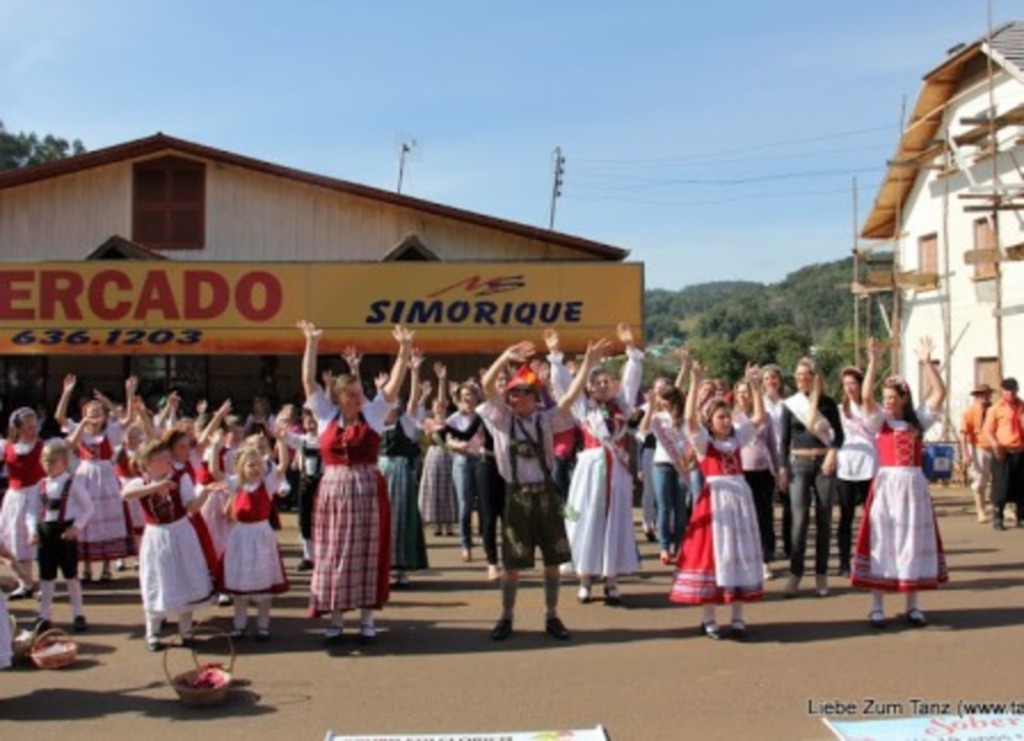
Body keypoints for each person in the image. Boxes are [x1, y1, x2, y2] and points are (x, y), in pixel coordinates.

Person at [479, 334, 611, 642]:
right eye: (511, 393)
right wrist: (505, 357)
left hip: (545, 494)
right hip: (516, 495)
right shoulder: (500, 418)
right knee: (512, 564)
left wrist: (588, 364)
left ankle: (552, 616)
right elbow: (487, 387)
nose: (513, 398)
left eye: (521, 393)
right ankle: (506, 616)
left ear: (533, 395)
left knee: (552, 561)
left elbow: (569, 399)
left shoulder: (546, 419)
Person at [299, 320, 412, 645]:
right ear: (340, 396)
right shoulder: (324, 415)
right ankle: (335, 620)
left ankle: (366, 621)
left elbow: (392, 385)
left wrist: (403, 351)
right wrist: (312, 343)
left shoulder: (374, 415)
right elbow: (308, 381)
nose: (359, 397)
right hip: (333, 490)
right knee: (333, 553)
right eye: (352, 394)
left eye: (360, 393)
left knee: (367, 552)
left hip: (366, 489)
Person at [853, 337, 948, 628]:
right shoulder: (879, 421)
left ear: (904, 398)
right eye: (887, 397)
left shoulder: (917, 421)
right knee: (883, 542)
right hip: (888, 487)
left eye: (893, 397)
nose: (888, 401)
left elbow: (939, 394)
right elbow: (866, 397)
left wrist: (927, 362)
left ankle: (913, 605)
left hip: (914, 487)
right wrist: (872, 361)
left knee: (911, 542)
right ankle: (877, 606)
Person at [669, 360, 765, 640]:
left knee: (738, 553)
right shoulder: (704, 443)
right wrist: (696, 381)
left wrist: (755, 386)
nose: (725, 421)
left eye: (727, 416)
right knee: (713, 556)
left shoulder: (737, 439)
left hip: (739, 499)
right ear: (710, 421)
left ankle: (737, 616)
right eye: (720, 417)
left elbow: (758, 418)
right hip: (715, 502)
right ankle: (709, 618)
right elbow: (689, 421)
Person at [550, 324, 644, 606]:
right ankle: (585, 579)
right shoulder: (583, 407)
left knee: (614, 520)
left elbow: (631, 380)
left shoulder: (622, 405)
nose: (603, 385)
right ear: (589, 387)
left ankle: (611, 579)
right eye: (597, 382)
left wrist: (631, 351)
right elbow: (565, 386)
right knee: (586, 520)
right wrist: (555, 354)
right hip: (590, 469)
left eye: (607, 381)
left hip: (616, 470)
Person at [122, 439, 222, 651]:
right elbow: (126, 495)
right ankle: (153, 633)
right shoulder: (141, 481)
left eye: (169, 458)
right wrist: (157, 486)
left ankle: (186, 631)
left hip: (180, 531)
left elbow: (191, 507)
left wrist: (205, 493)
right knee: (158, 579)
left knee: (185, 576)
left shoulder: (181, 477)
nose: (169, 462)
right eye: (163, 459)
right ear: (149, 462)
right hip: (156, 536)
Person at [55, 375, 137, 582]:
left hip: (106, 476)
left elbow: (126, 419)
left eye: (98, 412)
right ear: (84, 414)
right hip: (85, 475)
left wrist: (128, 393)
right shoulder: (79, 429)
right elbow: (61, 420)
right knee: (86, 519)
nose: (95, 416)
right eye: (91, 413)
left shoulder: (111, 431)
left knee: (106, 519)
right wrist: (66, 393)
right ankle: (87, 569)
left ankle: (107, 567)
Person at [780, 358, 844, 598]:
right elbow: (783, 440)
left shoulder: (828, 404)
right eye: (797, 375)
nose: (799, 378)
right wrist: (782, 468)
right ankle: (795, 574)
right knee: (799, 521)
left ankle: (821, 574)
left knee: (824, 519)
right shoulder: (791, 405)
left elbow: (840, 436)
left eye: (803, 374)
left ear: (814, 376)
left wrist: (832, 454)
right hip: (798, 464)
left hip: (823, 464)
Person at [215, 443, 290, 640]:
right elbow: (215, 472)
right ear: (241, 467)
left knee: (263, 583)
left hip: (262, 536)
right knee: (240, 585)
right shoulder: (236, 484)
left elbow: (282, 466)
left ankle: (263, 624)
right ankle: (239, 624)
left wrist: (281, 441)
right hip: (240, 537)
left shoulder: (267, 485)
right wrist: (215, 448)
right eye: (251, 465)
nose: (256, 469)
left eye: (258, 465)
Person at [27, 441, 94, 633]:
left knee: (71, 576)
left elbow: (88, 508)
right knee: (46, 577)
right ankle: (44, 615)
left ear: (64, 462)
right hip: (45, 533)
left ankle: (78, 613)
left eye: (53, 461)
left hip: (65, 534)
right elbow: (31, 511)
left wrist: (76, 527)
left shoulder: (72, 484)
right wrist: (32, 530)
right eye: (45, 461)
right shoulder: (39, 486)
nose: (48, 464)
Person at [379, 349, 429, 588]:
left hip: (399, 472)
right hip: (379, 472)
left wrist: (414, 371)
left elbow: (413, 400)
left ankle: (401, 571)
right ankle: (381, 569)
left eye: (392, 403)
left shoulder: (406, 423)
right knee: (379, 520)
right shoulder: (375, 423)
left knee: (400, 519)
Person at [0, 407, 52, 600]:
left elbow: (69, 445)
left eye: (35, 426)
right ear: (18, 429)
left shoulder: (42, 446)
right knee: (16, 540)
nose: (33, 430)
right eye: (28, 427)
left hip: (36, 495)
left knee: (36, 540)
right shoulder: (7, 447)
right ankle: (25, 582)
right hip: (14, 497)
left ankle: (39, 583)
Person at [638, 385, 692, 566]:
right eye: (661, 398)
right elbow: (643, 430)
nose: (663, 402)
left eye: (666, 398)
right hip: (661, 464)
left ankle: (679, 546)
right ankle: (664, 547)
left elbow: (692, 439)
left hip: (682, 465)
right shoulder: (657, 418)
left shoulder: (684, 418)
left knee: (680, 508)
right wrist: (651, 406)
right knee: (664, 506)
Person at [834, 366, 877, 577]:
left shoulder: (872, 409)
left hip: (869, 467)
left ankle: (871, 558)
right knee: (846, 517)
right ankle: (844, 561)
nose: (850, 388)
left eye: (853, 383)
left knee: (871, 516)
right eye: (846, 384)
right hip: (846, 469)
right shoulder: (840, 410)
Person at [734, 377, 778, 582]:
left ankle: (764, 559)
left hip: (762, 471)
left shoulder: (765, 417)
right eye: (740, 392)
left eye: (747, 392)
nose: (744, 396)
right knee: (742, 518)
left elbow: (772, 444)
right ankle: (743, 560)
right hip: (740, 474)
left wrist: (779, 469)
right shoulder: (730, 417)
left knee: (764, 517)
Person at [418, 363, 458, 538]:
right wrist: (424, 396)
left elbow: (442, 400)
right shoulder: (428, 422)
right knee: (434, 488)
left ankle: (449, 524)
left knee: (449, 488)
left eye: (441, 406)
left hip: (449, 456)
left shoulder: (450, 421)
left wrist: (442, 380)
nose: (439, 408)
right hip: (433, 456)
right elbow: (416, 412)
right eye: (436, 406)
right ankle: (436, 524)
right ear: (431, 408)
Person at [982, 378, 1024, 531]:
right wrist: (994, 444)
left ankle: (1021, 516)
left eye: (1012, 390)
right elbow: (987, 430)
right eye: (1007, 390)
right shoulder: (995, 409)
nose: (1010, 393)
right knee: (1001, 485)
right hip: (1003, 451)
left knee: (1021, 485)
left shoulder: (1022, 406)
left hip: (1020, 450)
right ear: (1002, 391)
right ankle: (998, 517)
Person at [761, 365, 791, 560]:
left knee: (789, 503)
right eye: (766, 378)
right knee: (766, 506)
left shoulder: (789, 403)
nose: (771, 382)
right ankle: (768, 547)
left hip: (787, 455)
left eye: (774, 378)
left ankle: (789, 545)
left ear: (779, 380)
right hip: (765, 457)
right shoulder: (760, 403)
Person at [960, 384, 994, 523]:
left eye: (985, 394)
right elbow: (963, 433)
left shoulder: (995, 409)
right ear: (975, 396)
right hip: (979, 447)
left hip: (996, 447)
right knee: (980, 480)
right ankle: (981, 510)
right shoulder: (969, 411)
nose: (983, 397)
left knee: (999, 480)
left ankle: (999, 508)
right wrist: (965, 453)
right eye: (979, 394)